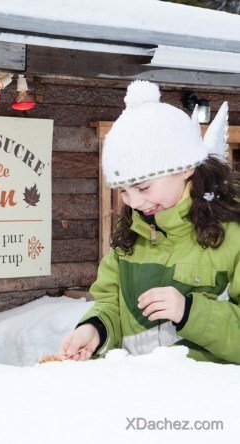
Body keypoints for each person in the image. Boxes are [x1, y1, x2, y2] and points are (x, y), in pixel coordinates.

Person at [59, 80, 240, 363]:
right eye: (123, 191)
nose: (134, 203)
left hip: (209, 400)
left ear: (185, 169)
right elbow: (112, 304)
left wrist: (189, 312)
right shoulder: (133, 236)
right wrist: (95, 329)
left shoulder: (233, 234)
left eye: (143, 188)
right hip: (141, 394)